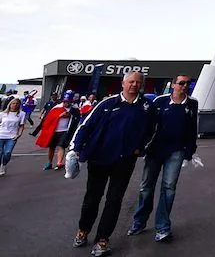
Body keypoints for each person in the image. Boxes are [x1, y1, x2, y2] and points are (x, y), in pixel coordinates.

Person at [69, 71, 155, 257]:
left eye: (138, 82)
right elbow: (86, 125)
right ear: (123, 83)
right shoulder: (107, 104)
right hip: (99, 159)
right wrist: (75, 148)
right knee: (92, 199)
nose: (134, 85)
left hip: (124, 162)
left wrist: (140, 148)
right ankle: (83, 230)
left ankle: (102, 240)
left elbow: (152, 131)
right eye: (130, 81)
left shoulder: (147, 107)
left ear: (141, 85)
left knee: (114, 201)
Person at [128, 74, 198, 243]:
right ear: (173, 85)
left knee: (169, 188)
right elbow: (148, 124)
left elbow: (192, 127)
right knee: (146, 186)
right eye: (181, 83)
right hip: (155, 149)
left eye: (188, 83)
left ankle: (162, 226)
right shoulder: (160, 101)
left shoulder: (192, 104)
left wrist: (190, 150)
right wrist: (141, 145)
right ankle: (139, 221)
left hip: (176, 150)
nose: (185, 86)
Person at [36, 90, 79, 171]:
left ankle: (59, 162)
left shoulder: (74, 110)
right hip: (54, 131)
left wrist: (71, 116)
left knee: (61, 146)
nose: (67, 103)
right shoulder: (56, 108)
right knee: (52, 147)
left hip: (65, 131)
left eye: (69, 102)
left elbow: (77, 120)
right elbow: (48, 119)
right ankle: (49, 162)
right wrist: (59, 116)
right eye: (66, 101)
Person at [0, 96, 26, 176]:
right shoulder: (2, 114)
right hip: (1, 135)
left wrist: (19, 134)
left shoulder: (21, 114)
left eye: (17, 104)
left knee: (7, 153)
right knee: (0, 153)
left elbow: (21, 126)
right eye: (13, 103)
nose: (14, 105)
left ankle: (3, 165)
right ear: (10, 104)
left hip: (12, 136)